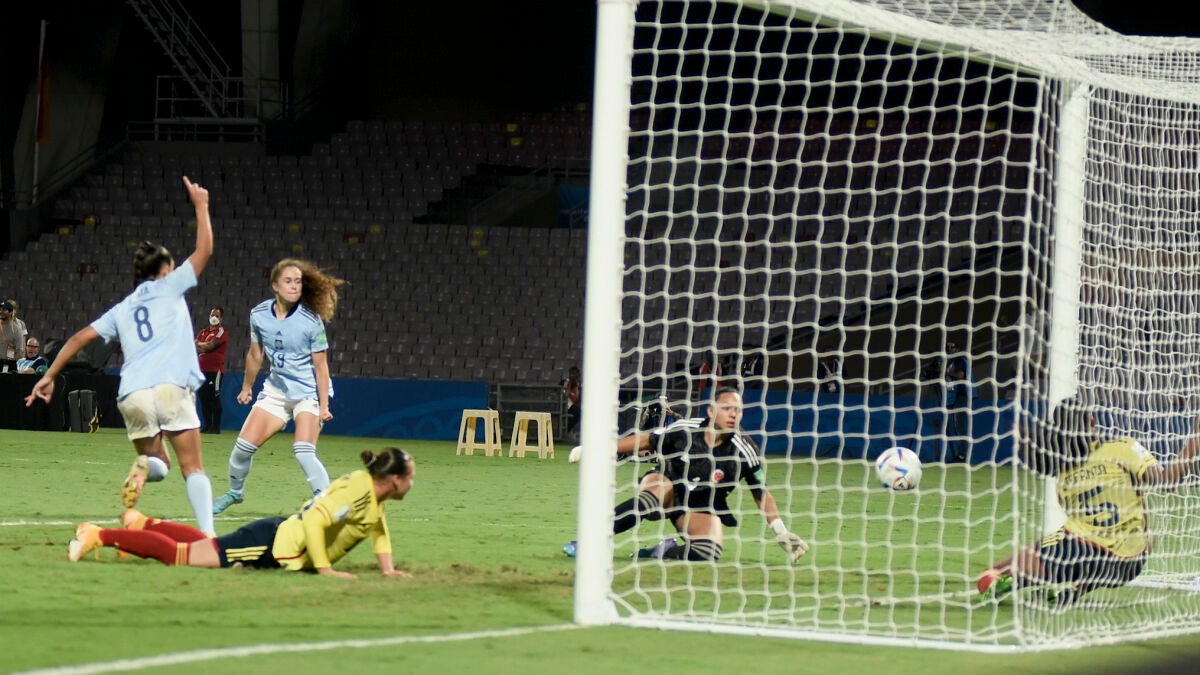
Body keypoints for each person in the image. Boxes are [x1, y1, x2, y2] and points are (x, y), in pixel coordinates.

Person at [25, 176, 216, 536]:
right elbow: (204, 251)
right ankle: (209, 538)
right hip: (170, 386)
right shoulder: (169, 286)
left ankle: (144, 466)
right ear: (164, 270)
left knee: (158, 462)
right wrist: (201, 206)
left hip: (131, 394)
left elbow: (79, 338)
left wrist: (49, 375)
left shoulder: (122, 308)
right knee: (193, 468)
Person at [977, 398, 1200, 607]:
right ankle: (1075, 588)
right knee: (1145, 534)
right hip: (1130, 564)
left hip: (1081, 555)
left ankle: (1004, 575)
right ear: (1092, 422)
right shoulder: (1123, 448)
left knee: (1053, 544)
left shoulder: (1064, 475)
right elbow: (1167, 481)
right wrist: (1195, 438)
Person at [69, 448, 416, 579]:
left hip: (276, 537)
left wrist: (387, 568)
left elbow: (377, 526)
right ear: (394, 480)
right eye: (410, 477)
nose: (412, 483)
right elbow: (315, 521)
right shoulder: (359, 493)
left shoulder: (371, 492)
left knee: (210, 545)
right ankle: (97, 535)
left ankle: (143, 524)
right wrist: (325, 570)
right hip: (271, 545)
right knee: (181, 557)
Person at [565, 387, 808, 564]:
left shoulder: (745, 451)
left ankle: (663, 552)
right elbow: (646, 439)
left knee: (708, 552)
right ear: (711, 411)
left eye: (738, 410)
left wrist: (780, 531)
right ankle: (588, 543)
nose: (733, 414)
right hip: (668, 486)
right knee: (651, 496)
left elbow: (761, 493)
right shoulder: (686, 430)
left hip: (698, 506)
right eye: (726, 408)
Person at [212, 258, 346, 515]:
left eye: (298, 281)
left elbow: (321, 366)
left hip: (309, 393)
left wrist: (324, 406)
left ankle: (328, 504)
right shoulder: (259, 314)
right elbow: (255, 354)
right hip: (277, 391)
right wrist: (247, 387)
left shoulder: (311, 320)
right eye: (288, 281)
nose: (294, 286)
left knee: (303, 451)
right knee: (242, 450)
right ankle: (235, 493)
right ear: (275, 285)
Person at [195, 306, 229, 434]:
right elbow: (196, 346)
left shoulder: (221, 332)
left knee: (214, 397)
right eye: (212, 315)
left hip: (215, 370)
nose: (214, 317)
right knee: (203, 397)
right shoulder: (203, 332)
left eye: (217, 315)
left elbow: (210, 346)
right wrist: (203, 345)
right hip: (201, 370)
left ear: (221, 318)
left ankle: (216, 427)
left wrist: (201, 345)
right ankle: (207, 425)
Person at [944, 340, 975, 462]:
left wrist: (946, 372)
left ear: (957, 349)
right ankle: (961, 454)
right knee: (958, 426)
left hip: (961, 396)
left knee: (961, 426)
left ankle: (962, 455)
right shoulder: (952, 362)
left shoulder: (958, 360)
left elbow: (960, 375)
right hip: (957, 397)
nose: (950, 349)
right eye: (947, 347)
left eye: (952, 347)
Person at [0, 299, 26, 372]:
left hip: (7, 364)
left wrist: (10, 360)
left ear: (10, 312)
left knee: (4, 378)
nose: (1, 311)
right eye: (0, 309)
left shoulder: (17, 329)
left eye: (4, 310)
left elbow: (20, 352)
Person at [561, 366, 581, 439]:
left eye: (575, 374)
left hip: (574, 405)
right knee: (578, 413)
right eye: (571, 373)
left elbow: (578, 397)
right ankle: (566, 431)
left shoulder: (579, 384)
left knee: (579, 413)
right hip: (564, 404)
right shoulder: (564, 382)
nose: (573, 375)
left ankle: (567, 430)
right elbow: (557, 391)